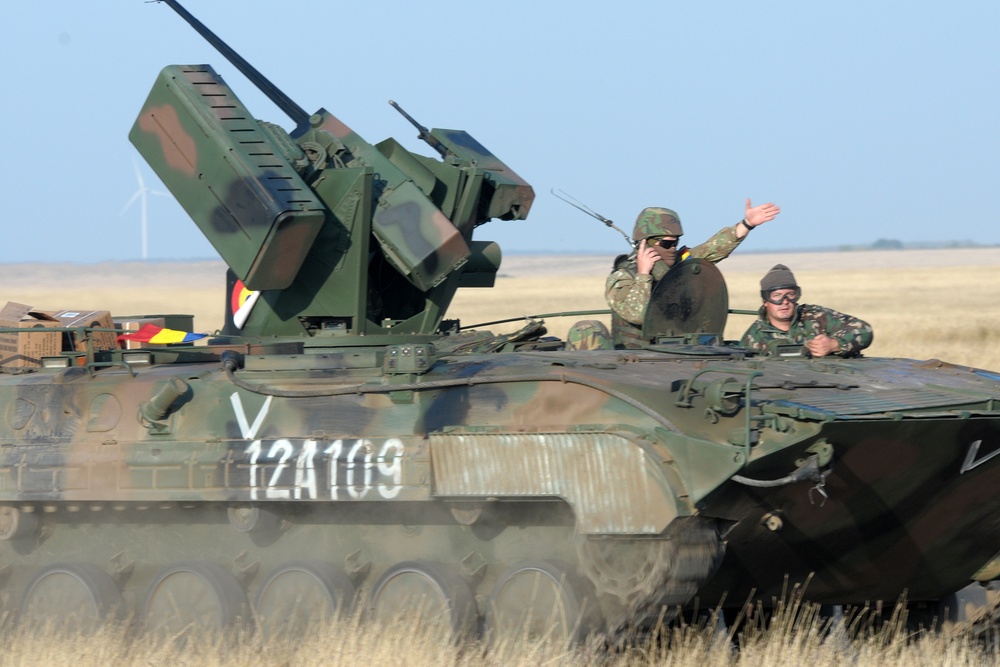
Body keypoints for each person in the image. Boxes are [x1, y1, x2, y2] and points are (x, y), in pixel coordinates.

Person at [605, 199, 781, 348]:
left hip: (680, 351)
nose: (673, 249)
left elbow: (712, 249)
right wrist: (643, 275)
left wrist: (746, 224)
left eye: (676, 243)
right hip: (635, 358)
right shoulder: (623, 276)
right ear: (646, 244)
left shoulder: (679, 267)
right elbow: (636, 315)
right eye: (667, 244)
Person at [740, 264, 873, 357]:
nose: (784, 301)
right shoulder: (754, 336)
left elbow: (864, 330)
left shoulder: (816, 317)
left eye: (790, 295)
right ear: (765, 302)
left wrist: (835, 345)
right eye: (776, 296)